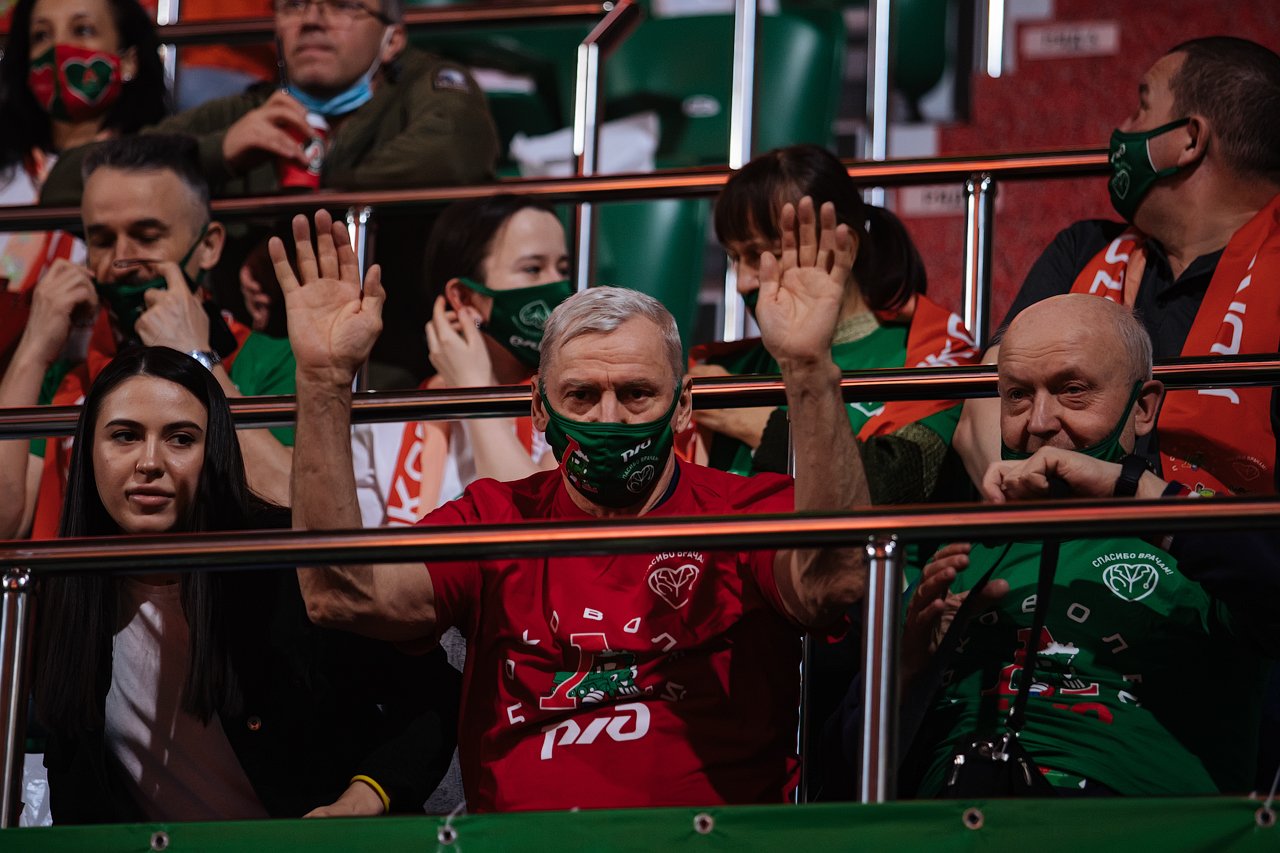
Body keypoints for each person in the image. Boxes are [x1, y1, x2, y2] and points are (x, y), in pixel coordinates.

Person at [277, 199, 870, 811]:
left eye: (637, 394)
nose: (608, 418)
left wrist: (808, 370)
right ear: (540, 407)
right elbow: (342, 594)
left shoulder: (742, 512)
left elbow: (833, 580)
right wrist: (323, 382)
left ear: (683, 405)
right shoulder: (493, 517)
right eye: (581, 395)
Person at [30, 345, 459, 823]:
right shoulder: (60, 589)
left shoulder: (285, 566)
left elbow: (433, 693)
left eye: (180, 439)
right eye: (125, 436)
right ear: (89, 451)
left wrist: (362, 799)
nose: (149, 462)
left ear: (214, 452)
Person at [899, 294, 1274, 797]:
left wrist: (1129, 488)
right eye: (1017, 395)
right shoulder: (957, 554)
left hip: (1128, 817)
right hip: (953, 813)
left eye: (1072, 391)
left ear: (1143, 408)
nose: (1038, 422)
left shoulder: (1199, 531)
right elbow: (843, 771)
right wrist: (905, 671)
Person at [955, 37, 1280, 498]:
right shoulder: (1084, 249)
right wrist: (1029, 496)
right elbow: (983, 408)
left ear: (1190, 139)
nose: (1122, 129)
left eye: (1141, 109)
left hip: (1213, 538)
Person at [0, 134, 296, 541]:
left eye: (147, 236)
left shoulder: (272, 359)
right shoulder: (64, 374)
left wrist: (198, 359)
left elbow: (290, 502)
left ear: (208, 246)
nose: (122, 259)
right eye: (103, 240)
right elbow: (5, 522)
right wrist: (34, 348)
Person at [697, 144, 979, 504]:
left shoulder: (935, 354)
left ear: (843, 248)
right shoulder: (722, 371)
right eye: (735, 257)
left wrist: (765, 429)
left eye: (762, 255)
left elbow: (892, 488)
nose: (742, 283)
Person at [353, 194, 569, 527]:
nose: (559, 287)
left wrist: (474, 388)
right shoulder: (383, 428)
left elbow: (528, 536)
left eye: (563, 269)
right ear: (464, 297)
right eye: (533, 268)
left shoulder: (577, 408)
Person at [0, 0, 167, 369]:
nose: (59, 49)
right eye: (41, 36)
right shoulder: (6, 175)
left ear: (128, 60)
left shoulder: (162, 174)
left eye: (83, 30)